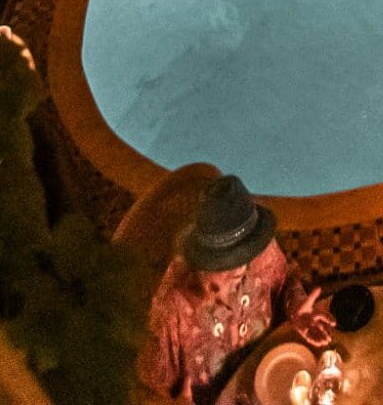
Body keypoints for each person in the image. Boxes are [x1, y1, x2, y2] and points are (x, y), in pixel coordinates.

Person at [138, 172, 333, 404]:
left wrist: (296, 303)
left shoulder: (258, 249)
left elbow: (285, 281)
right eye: (229, 260)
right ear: (204, 258)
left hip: (275, 380)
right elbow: (142, 390)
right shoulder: (172, 308)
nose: (241, 267)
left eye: (246, 253)